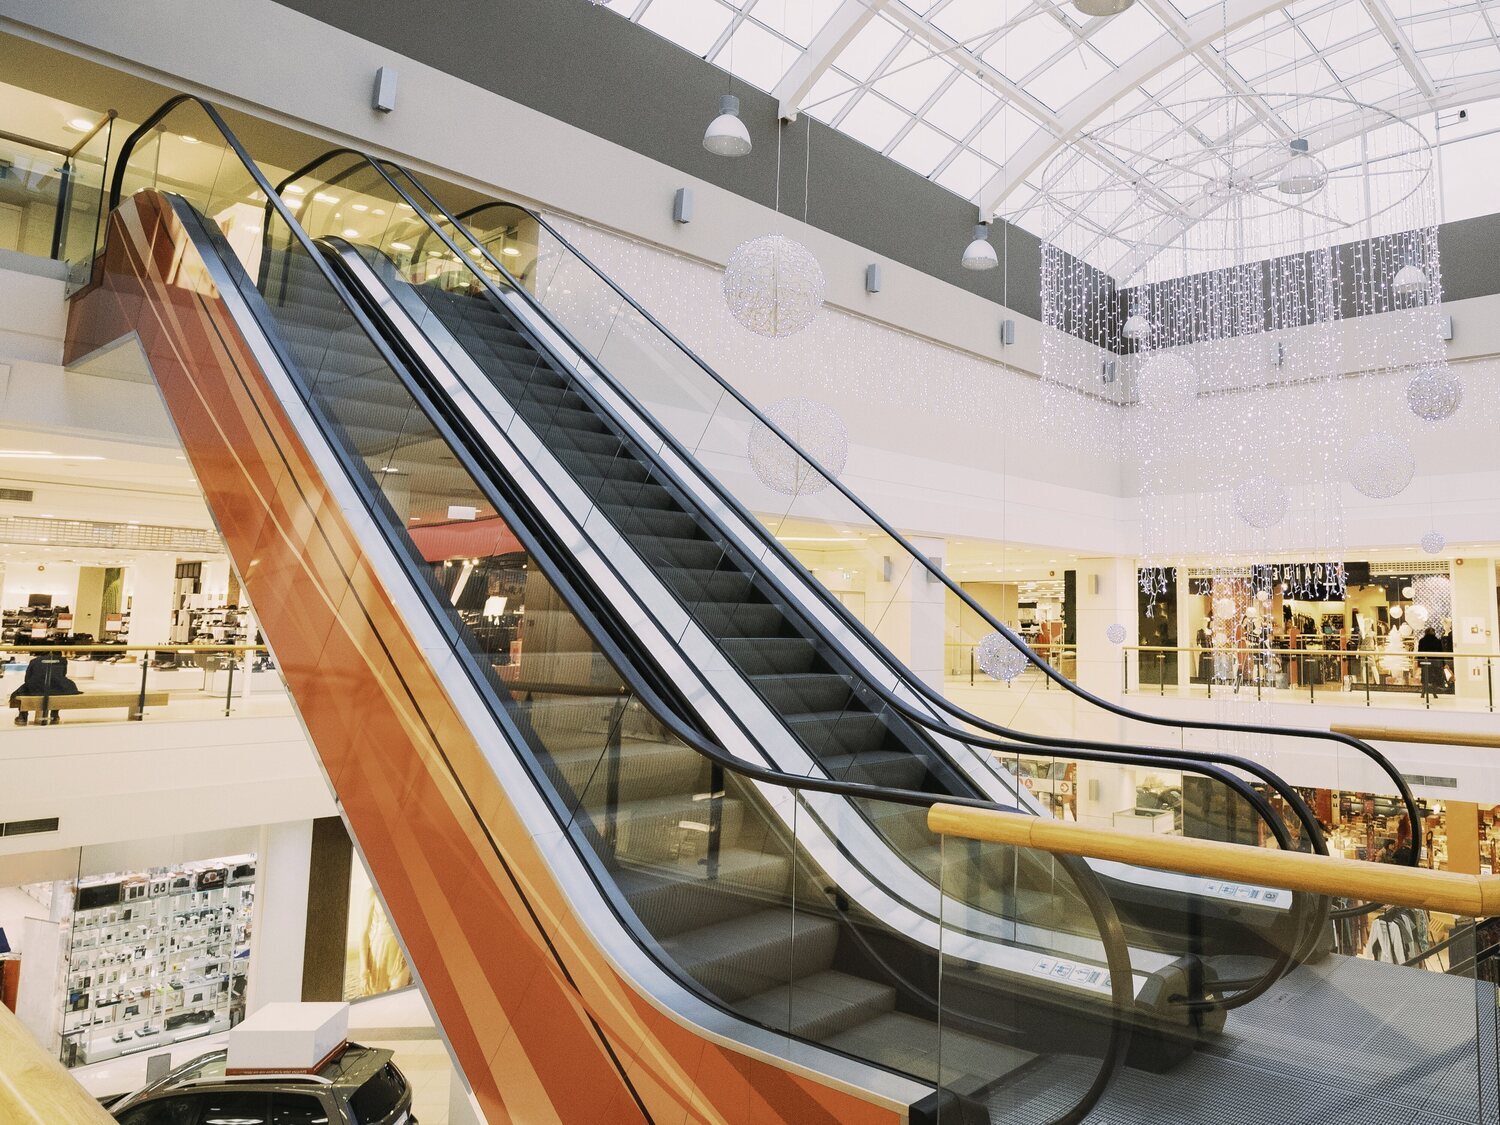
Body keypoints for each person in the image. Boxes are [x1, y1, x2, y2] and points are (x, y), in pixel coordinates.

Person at [10, 650, 81, 725]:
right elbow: (62, 675)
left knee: (24, 690)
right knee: (59, 688)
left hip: (37, 686)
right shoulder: (62, 661)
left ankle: (23, 715)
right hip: (56, 686)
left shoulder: (34, 661)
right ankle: (54, 714)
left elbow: (27, 678)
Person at [1417, 626, 1444, 697]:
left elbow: (1420, 652)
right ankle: (1434, 693)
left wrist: (1419, 663)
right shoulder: (1437, 641)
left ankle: (1423, 694)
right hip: (1435, 662)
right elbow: (1441, 653)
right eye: (1434, 631)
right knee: (1434, 679)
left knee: (1425, 678)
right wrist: (1443, 663)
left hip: (1425, 662)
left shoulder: (1422, 641)